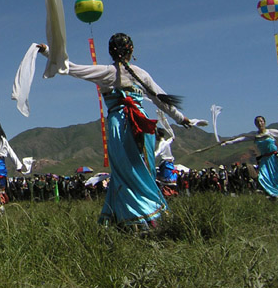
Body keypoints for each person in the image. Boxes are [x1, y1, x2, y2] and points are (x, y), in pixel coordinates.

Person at [38, 34, 192, 230]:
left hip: (120, 127)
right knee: (143, 169)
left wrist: (47, 51)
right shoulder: (141, 74)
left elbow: (71, 68)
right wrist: (181, 119)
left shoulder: (106, 72)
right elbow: (162, 100)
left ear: (111, 51)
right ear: (132, 51)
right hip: (141, 126)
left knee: (124, 172)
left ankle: (129, 218)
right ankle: (151, 216)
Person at [219, 116, 278, 200]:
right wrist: (226, 143)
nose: (259, 123)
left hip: (274, 158)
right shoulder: (255, 136)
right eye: (257, 122)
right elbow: (239, 140)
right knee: (263, 177)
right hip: (264, 160)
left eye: (261, 121)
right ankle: (274, 193)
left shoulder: (271, 132)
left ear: (264, 122)